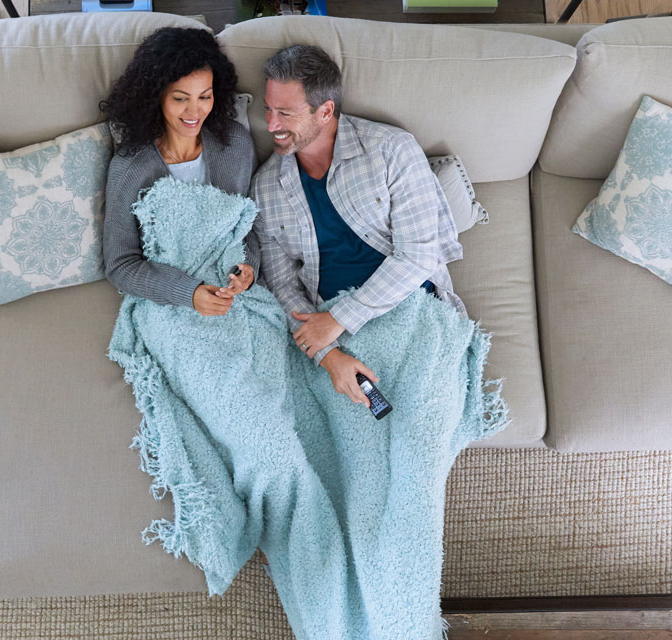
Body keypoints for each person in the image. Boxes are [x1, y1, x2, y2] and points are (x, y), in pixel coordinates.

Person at [250, 44, 466, 407]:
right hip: (329, 332)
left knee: (422, 414)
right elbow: (282, 285)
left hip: (408, 307)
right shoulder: (265, 187)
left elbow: (419, 255)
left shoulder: (391, 150)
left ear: (325, 111)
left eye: (285, 113)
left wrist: (340, 318)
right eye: (269, 109)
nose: (271, 124)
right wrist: (329, 355)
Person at [101, 27, 259, 316]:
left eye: (204, 97)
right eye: (180, 98)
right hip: (167, 302)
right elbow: (120, 264)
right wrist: (189, 293)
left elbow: (247, 230)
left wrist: (248, 273)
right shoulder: (129, 168)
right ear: (156, 97)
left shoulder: (236, 145)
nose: (195, 112)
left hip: (230, 299)